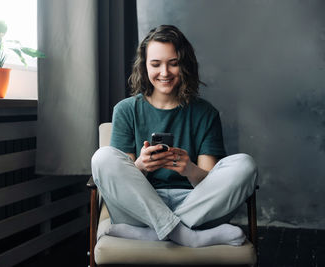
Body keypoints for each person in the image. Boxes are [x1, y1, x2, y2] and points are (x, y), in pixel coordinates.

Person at [91, 25, 257, 248]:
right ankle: (186, 235)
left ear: (184, 65)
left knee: (245, 164)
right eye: (156, 64)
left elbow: (208, 182)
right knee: (103, 157)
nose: (164, 72)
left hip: (194, 204)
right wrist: (141, 165)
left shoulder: (205, 113)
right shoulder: (126, 110)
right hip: (140, 209)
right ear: (144, 66)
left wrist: (188, 168)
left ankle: (157, 232)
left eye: (173, 63)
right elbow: (123, 181)